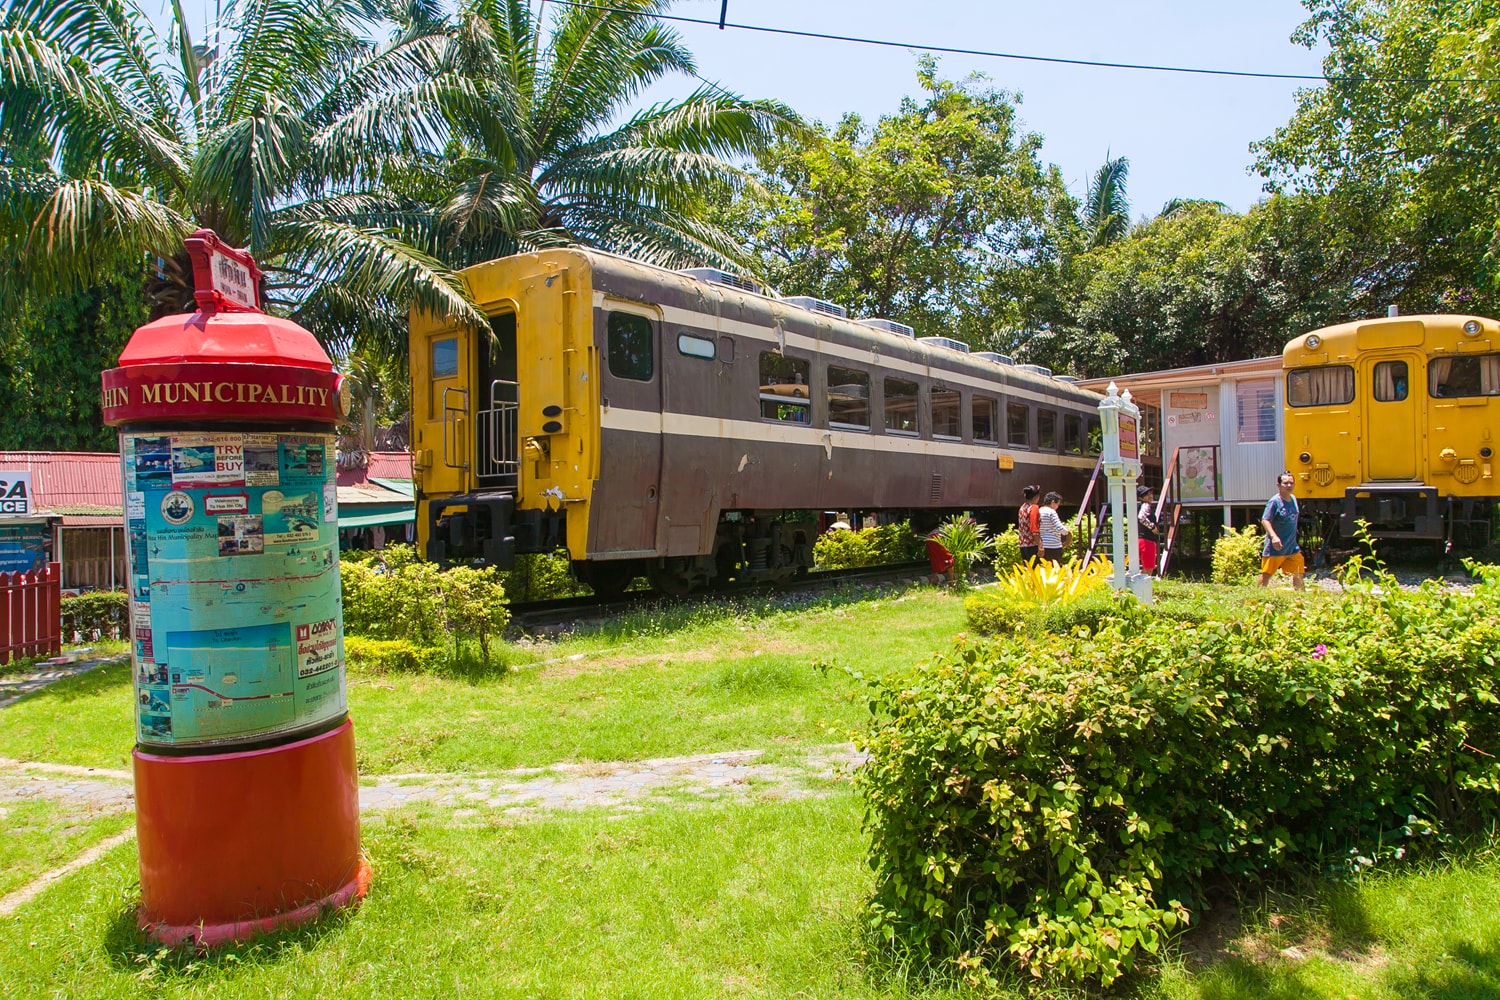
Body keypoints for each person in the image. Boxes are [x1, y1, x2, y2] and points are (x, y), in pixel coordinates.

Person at [1258, 471, 1304, 591]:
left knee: (1298, 572)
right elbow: (1265, 520)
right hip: (1276, 547)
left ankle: (1302, 598)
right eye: (1285, 483)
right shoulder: (1274, 502)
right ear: (1278, 485)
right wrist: (1274, 537)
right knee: (1267, 574)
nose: (1289, 486)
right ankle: (1257, 597)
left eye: (1291, 483)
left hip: (1291, 546)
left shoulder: (1293, 499)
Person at [1037, 491, 1068, 563]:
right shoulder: (1051, 512)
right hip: (1054, 546)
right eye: (1057, 504)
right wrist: (1066, 530)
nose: (1057, 507)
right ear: (1053, 502)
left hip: (1042, 545)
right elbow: (1060, 528)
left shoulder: (1039, 511)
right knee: (1054, 569)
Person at [1137, 485, 1161, 575]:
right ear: (1141, 498)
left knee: (1146, 569)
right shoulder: (1145, 505)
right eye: (1146, 495)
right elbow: (1141, 518)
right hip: (1147, 541)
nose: (1150, 496)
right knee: (1148, 569)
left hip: (1142, 539)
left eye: (1150, 494)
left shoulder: (1141, 506)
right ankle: (1143, 588)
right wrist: (1152, 527)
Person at [1016, 484, 1042, 562]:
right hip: (1033, 545)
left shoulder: (1022, 508)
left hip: (1023, 545)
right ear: (1036, 497)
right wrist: (1040, 546)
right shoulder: (1034, 508)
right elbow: (1034, 529)